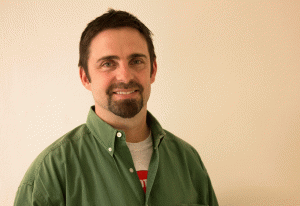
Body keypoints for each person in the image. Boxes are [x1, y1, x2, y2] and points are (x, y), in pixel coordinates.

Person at [14, 9, 219, 206]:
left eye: (136, 61)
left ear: (153, 70)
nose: (125, 76)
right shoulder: (51, 172)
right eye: (108, 64)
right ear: (85, 77)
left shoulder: (189, 161)